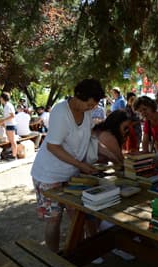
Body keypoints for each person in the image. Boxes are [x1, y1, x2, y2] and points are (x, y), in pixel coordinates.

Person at [30, 79, 104, 252]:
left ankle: (78, 252)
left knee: (77, 215)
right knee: (54, 219)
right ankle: (54, 257)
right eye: (89, 103)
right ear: (78, 96)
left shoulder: (86, 112)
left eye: (94, 105)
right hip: (49, 174)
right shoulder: (60, 111)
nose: (91, 108)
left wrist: (103, 155)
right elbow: (52, 146)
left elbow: (88, 137)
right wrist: (80, 164)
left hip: (72, 173)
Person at [0, 92, 18, 160]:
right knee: (11, 141)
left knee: (12, 141)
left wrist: (3, 120)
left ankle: (14, 156)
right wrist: (3, 123)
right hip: (9, 125)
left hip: (11, 125)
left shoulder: (8, 105)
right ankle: (13, 154)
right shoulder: (7, 105)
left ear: (2, 98)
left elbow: (12, 116)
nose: (0, 99)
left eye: (0, 97)